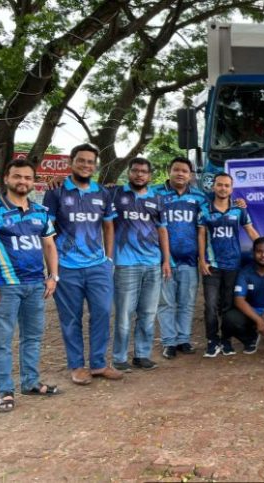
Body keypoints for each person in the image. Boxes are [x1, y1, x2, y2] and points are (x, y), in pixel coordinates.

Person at [0, 158, 61, 411]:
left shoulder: (41, 212)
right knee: (1, 340)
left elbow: (49, 245)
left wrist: (53, 276)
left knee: (33, 337)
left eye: (27, 177)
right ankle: (5, 391)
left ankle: (31, 383)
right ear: (6, 179)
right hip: (5, 286)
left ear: (33, 182)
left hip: (36, 285)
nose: (22, 181)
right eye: (17, 177)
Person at [43, 143, 123, 385]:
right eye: (82, 160)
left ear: (95, 166)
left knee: (102, 313)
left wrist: (109, 259)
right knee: (71, 318)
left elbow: (109, 226)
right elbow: (46, 233)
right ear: (71, 162)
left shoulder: (103, 193)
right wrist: (53, 269)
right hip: (67, 267)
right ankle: (77, 366)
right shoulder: (56, 192)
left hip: (98, 265)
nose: (86, 165)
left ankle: (98, 364)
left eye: (91, 162)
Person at [110, 157, 171, 371]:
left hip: (153, 263)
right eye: (135, 171)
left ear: (149, 175)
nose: (139, 175)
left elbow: (163, 230)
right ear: (129, 172)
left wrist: (166, 261)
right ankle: (119, 357)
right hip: (125, 264)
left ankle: (142, 355)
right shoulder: (115, 194)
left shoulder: (158, 199)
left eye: (143, 172)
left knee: (147, 313)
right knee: (125, 314)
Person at [198, 172, 259, 357]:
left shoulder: (239, 209)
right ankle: (211, 340)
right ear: (213, 186)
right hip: (212, 266)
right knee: (210, 306)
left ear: (231, 188)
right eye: (219, 184)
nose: (223, 188)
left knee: (227, 306)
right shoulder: (204, 209)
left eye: (227, 185)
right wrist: (202, 260)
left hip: (233, 266)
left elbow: (250, 231)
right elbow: (201, 235)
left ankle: (226, 340)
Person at [154, 157, 208, 359]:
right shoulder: (155, 194)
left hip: (190, 260)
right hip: (165, 259)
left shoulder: (200, 197)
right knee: (166, 303)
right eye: (176, 169)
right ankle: (169, 342)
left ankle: (184, 339)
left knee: (187, 303)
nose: (180, 174)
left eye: (184, 171)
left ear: (190, 174)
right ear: (169, 171)